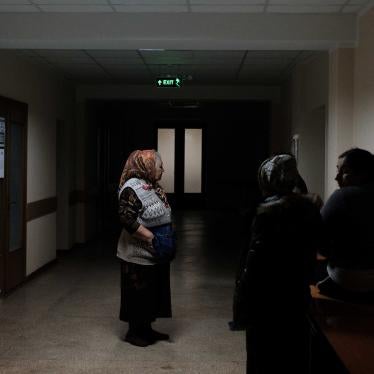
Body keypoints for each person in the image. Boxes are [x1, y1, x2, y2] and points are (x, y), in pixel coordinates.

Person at [233, 154, 323, 373]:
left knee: (262, 355)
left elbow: (254, 262)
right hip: (296, 293)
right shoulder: (309, 208)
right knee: (294, 353)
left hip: (265, 298)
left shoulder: (266, 213)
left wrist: (242, 299)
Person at [117, 149, 173, 347]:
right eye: (159, 166)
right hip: (137, 254)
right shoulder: (131, 188)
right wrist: (150, 238)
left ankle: (147, 329)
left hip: (153, 254)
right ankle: (134, 332)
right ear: (146, 166)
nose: (163, 169)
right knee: (138, 294)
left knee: (151, 293)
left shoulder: (152, 186)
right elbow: (126, 218)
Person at [317, 148, 374, 300]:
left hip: (350, 280)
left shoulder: (342, 196)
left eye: (344, 171)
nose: (336, 177)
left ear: (363, 173)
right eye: (338, 170)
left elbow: (319, 242)